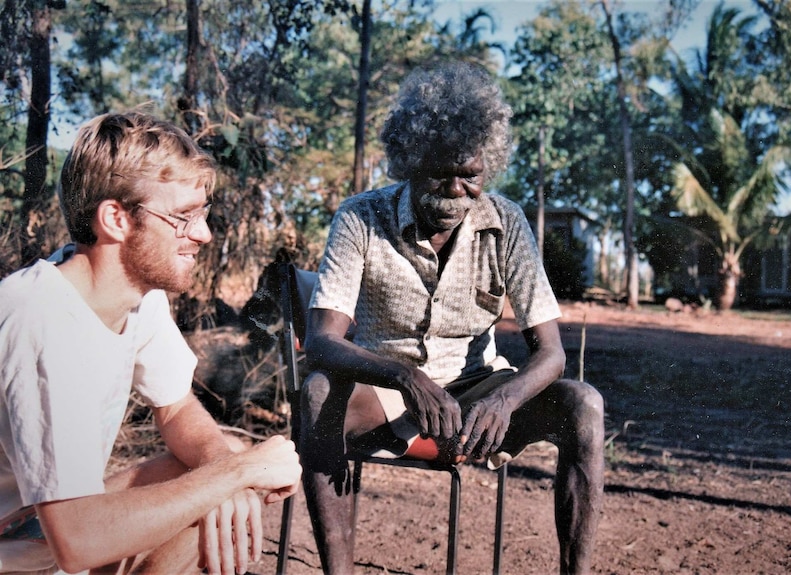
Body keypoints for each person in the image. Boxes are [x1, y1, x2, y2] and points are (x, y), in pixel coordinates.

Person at [299, 61, 604, 574]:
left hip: (480, 396)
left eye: (471, 176)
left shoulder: (506, 222)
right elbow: (322, 340)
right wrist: (404, 376)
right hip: (385, 392)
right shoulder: (360, 217)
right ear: (410, 161)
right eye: (442, 173)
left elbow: (551, 352)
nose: (456, 191)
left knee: (583, 404)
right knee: (317, 393)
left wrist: (506, 397)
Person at [0, 111, 302, 575]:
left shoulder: (135, 296)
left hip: (41, 531)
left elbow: (177, 407)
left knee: (221, 456)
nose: (202, 234)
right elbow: (75, 539)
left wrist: (226, 471)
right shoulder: (39, 318)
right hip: (24, 546)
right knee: (230, 470)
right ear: (115, 219)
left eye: (201, 213)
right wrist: (234, 476)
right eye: (182, 217)